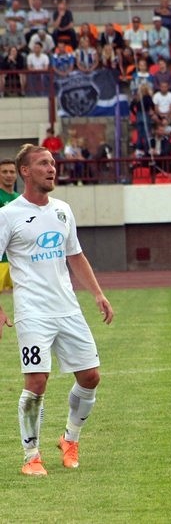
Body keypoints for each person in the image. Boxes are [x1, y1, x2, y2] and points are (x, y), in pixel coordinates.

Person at [0, 144, 114, 476]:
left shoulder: (63, 209)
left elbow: (75, 255)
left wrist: (97, 294)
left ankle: (69, 439)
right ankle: (31, 456)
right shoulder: (8, 215)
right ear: (25, 171)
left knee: (91, 377)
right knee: (36, 380)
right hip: (32, 312)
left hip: (68, 310)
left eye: (53, 163)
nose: (52, 169)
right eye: (43, 164)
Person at [0, 159, 20, 291]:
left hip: (17, 257)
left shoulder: (20, 198)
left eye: (12, 172)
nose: (9, 175)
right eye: (4, 172)